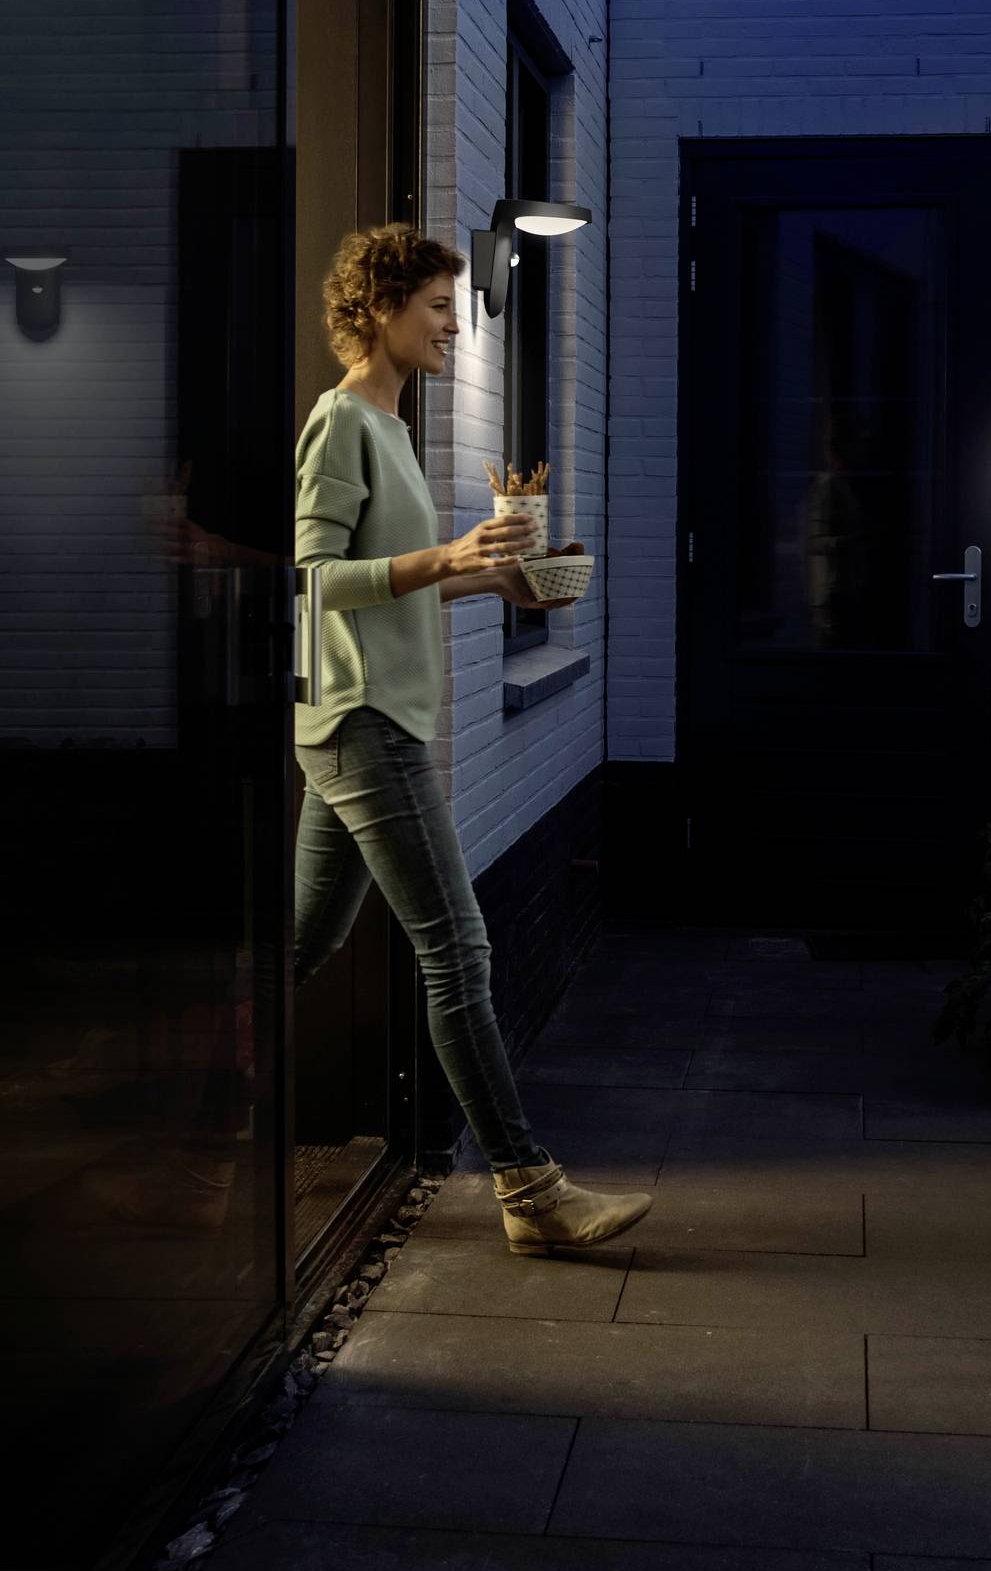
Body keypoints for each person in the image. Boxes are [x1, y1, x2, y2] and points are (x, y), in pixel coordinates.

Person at [295, 222, 650, 1257]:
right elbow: (315, 583)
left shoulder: (394, 431)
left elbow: (389, 586)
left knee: (297, 948)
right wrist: (447, 550)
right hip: (367, 726)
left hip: (366, 719)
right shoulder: (342, 425)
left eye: (456, 303)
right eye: (439, 305)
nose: (456, 322)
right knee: (460, 949)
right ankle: (530, 1191)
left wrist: (490, 578)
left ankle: (179, 1121)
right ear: (379, 308)